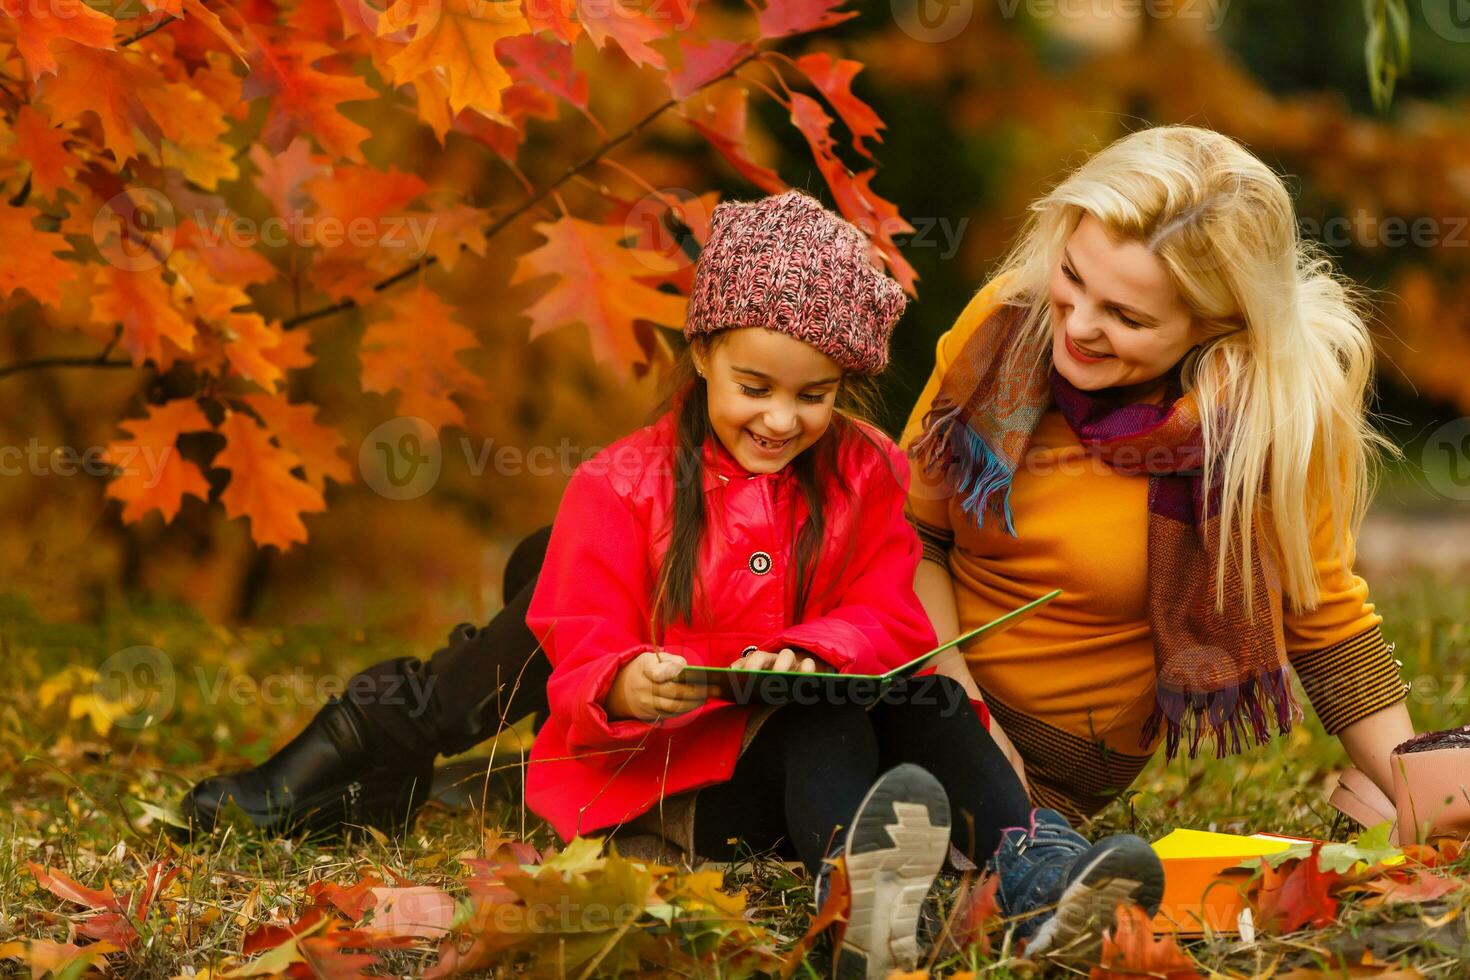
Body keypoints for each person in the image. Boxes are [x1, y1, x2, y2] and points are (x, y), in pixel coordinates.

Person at [182, 190, 1164, 974]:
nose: (782, 419)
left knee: (929, 700)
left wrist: (816, 648)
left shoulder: (864, 468)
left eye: (813, 396)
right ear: (702, 354)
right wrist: (621, 681)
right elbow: (573, 631)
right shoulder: (620, 484)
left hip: (803, 734)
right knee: (819, 727)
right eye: (756, 387)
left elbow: (887, 603)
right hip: (679, 775)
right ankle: (859, 907)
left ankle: (1039, 872)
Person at [904, 125, 1415, 824]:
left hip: (1056, 757)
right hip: (926, 690)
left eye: (1125, 316)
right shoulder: (1003, 330)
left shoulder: (1267, 418)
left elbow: (1325, 618)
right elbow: (910, 535)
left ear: (1213, 323)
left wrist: (1427, 795)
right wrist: (961, 716)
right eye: (1073, 277)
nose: (1077, 326)